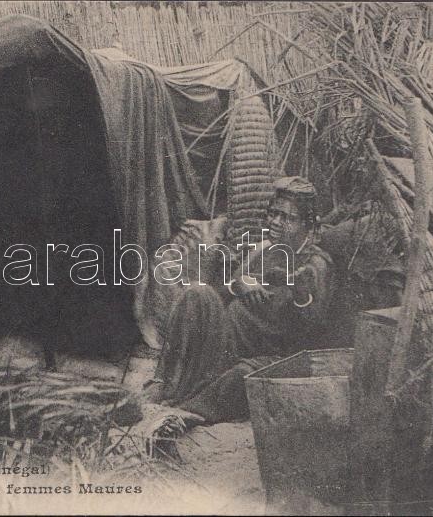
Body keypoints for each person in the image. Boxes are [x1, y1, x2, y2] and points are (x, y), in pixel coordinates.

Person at [144, 176, 335, 424]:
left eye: (288, 218)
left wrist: (298, 290)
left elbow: (313, 330)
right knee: (196, 293)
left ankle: (186, 410)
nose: (276, 222)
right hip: (228, 347)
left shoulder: (316, 264)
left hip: (270, 359)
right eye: (273, 214)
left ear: (309, 227)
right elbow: (221, 295)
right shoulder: (264, 249)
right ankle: (162, 383)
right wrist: (238, 285)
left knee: (241, 377)